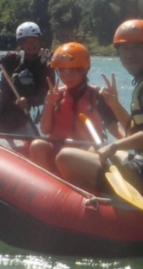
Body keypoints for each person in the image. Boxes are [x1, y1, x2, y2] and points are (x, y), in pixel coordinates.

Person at [55, 19, 143, 199]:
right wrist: (115, 104)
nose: (129, 55)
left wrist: (114, 145)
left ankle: (93, 206)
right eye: (124, 49)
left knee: (64, 157)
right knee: (92, 152)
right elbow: (135, 132)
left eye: (137, 48)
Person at [29, 42, 121, 175]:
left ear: (84, 70)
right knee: (37, 145)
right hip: (58, 147)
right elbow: (45, 130)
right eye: (62, 70)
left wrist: (133, 141)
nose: (67, 76)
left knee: (92, 151)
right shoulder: (55, 96)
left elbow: (115, 129)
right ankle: (47, 183)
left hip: (85, 150)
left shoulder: (98, 96)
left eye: (73, 70)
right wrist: (49, 104)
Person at [0, 21, 53, 134]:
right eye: (26, 42)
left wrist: (29, 102)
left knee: (10, 119)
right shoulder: (13, 57)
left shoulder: (46, 66)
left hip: (20, 106)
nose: (31, 45)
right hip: (2, 95)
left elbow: (46, 94)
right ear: (21, 44)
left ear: (39, 41)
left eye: (34, 40)